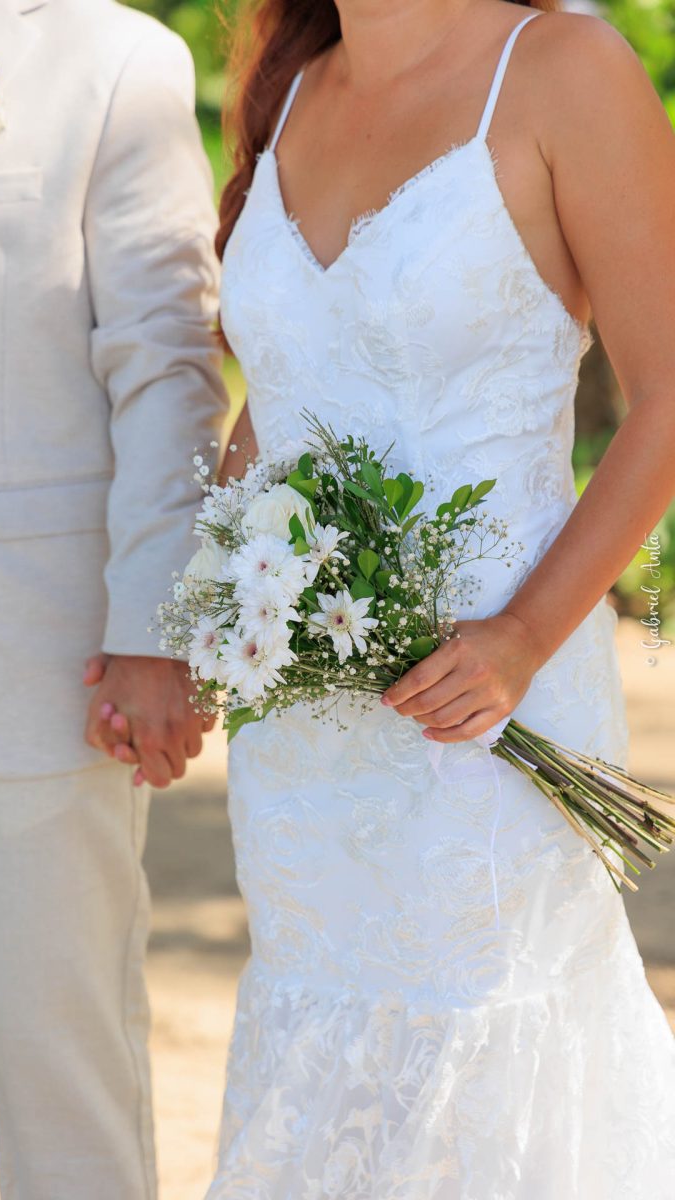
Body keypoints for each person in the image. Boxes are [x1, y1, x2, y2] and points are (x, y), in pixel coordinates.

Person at [201, 0, 675, 1193]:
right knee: (323, 1063)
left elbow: (668, 394)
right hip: (305, 747)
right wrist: (228, 578)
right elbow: (286, 383)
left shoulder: (564, 67)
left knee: (485, 1066)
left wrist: (521, 636)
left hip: (489, 715)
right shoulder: (288, 82)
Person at [0, 0, 225, 1196]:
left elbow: (168, 362)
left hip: (32, 644)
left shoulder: (113, 56)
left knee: (60, 1069)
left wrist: (154, 628)